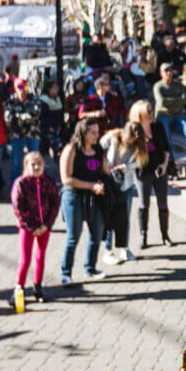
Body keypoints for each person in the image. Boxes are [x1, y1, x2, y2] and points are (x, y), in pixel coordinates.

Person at [59, 119, 110, 284]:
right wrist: (91, 185)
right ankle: (66, 273)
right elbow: (66, 179)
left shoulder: (98, 149)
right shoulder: (71, 150)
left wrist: (108, 178)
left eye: (97, 132)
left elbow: (105, 171)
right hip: (73, 196)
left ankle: (90, 268)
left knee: (96, 233)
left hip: (94, 196)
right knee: (73, 236)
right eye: (93, 132)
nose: (97, 135)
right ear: (83, 132)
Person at [10, 151, 60, 305]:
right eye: (33, 164)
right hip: (28, 228)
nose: (37, 167)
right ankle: (19, 288)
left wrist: (47, 225)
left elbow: (55, 204)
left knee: (40, 256)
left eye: (40, 164)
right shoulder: (21, 184)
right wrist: (30, 227)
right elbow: (18, 208)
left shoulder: (49, 182)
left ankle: (38, 286)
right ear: (26, 166)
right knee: (25, 259)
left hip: (44, 226)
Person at [100, 122, 147, 265]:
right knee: (109, 217)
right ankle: (107, 251)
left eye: (134, 140)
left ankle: (123, 247)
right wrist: (104, 165)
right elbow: (98, 147)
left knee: (124, 217)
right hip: (109, 182)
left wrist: (126, 167)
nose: (131, 142)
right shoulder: (113, 137)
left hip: (125, 184)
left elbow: (140, 162)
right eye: (130, 138)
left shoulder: (139, 144)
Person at [129, 99, 172, 248]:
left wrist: (165, 164)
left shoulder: (158, 126)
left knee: (162, 203)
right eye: (148, 111)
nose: (151, 113)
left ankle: (165, 235)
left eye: (151, 110)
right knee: (143, 204)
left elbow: (166, 147)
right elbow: (128, 153)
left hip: (160, 170)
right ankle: (143, 235)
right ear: (139, 114)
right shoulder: (133, 130)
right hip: (142, 172)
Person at [152, 63, 186, 174]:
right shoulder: (158, 86)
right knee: (167, 138)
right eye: (166, 71)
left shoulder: (178, 85)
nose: (169, 73)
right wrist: (177, 100)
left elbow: (184, 100)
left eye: (170, 70)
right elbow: (162, 102)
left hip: (178, 115)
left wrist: (170, 101)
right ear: (161, 73)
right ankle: (171, 164)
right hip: (163, 115)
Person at [5, 79, 45, 178]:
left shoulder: (34, 99)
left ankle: (36, 184)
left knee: (35, 161)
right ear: (15, 88)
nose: (23, 89)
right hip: (17, 134)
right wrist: (25, 117)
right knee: (17, 163)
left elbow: (37, 114)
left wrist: (19, 117)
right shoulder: (11, 100)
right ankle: (16, 187)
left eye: (24, 86)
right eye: (20, 87)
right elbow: (8, 118)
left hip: (33, 133)